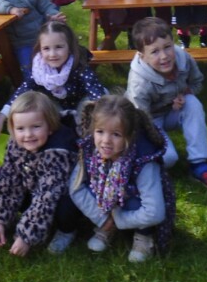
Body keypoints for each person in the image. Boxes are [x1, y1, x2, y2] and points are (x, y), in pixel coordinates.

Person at [69, 95, 176, 262]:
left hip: (136, 204)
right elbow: (75, 187)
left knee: (134, 200)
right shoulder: (90, 148)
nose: (106, 141)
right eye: (100, 131)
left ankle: (144, 235)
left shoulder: (144, 160)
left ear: (130, 135)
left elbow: (155, 212)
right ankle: (107, 228)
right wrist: (102, 219)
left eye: (116, 134)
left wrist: (119, 220)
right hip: (109, 205)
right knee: (93, 184)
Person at [125, 17, 207, 189]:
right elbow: (141, 121)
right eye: (154, 52)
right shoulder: (139, 83)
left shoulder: (183, 59)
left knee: (192, 104)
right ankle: (138, 164)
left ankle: (199, 164)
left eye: (167, 47)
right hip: (148, 120)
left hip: (172, 111)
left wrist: (185, 93)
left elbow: (197, 83)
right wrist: (155, 139)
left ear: (173, 43)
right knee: (169, 158)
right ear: (143, 56)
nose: (164, 56)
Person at [0, 91, 82, 256]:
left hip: (62, 192)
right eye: (20, 128)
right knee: (12, 183)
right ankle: (31, 222)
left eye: (36, 127)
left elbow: (47, 196)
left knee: (66, 207)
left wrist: (26, 236)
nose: (28, 134)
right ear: (12, 129)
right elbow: (8, 183)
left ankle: (67, 230)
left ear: (50, 126)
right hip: (35, 186)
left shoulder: (58, 151)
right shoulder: (16, 144)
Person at [0, 22, 107, 138]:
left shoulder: (79, 64)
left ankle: (85, 139)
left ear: (69, 47)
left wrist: (100, 113)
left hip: (81, 101)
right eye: (46, 48)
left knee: (92, 114)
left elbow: (95, 91)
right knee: (42, 110)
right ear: (40, 49)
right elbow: (22, 91)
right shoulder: (39, 70)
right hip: (56, 106)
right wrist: (0, 118)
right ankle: (59, 135)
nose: (52, 54)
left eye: (59, 47)